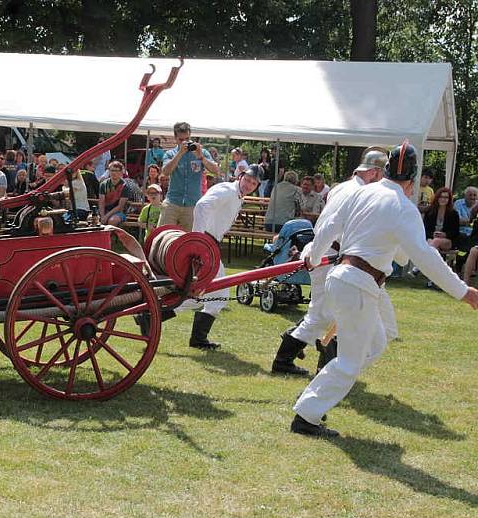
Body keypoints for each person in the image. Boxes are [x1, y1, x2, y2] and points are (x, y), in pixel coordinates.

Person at [290, 142, 478, 437]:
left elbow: (327, 228)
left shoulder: (361, 193)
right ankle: (307, 414)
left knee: (376, 342)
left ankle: (322, 386)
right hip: (359, 283)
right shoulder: (403, 207)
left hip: (344, 278)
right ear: (413, 179)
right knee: (351, 360)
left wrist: (313, 257)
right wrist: (462, 291)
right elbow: (423, 256)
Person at [270, 148, 392, 376]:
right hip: (329, 253)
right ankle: (317, 366)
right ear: (375, 173)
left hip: (324, 251)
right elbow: (332, 227)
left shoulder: (342, 187)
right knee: (330, 316)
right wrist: (316, 256)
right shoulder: (360, 193)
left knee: (323, 315)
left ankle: (289, 358)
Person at [185, 165, 262, 349]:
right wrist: (199, 241)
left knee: (205, 293)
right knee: (217, 294)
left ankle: (154, 316)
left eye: (254, 183)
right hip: (206, 245)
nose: (249, 185)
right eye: (248, 180)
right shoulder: (227, 190)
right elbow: (202, 206)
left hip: (209, 245)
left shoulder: (236, 196)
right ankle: (196, 338)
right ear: (240, 176)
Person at [157, 122, 218, 231]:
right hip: (173, 202)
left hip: (193, 204)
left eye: (188, 138)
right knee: (162, 234)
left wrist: (201, 158)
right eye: (181, 140)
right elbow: (165, 172)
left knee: (189, 241)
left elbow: (215, 171)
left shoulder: (201, 152)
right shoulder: (170, 154)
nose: (185, 142)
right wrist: (179, 154)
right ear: (175, 138)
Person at [422, 187, 460, 253]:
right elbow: (424, 229)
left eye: (446, 197)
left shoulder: (454, 214)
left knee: (435, 242)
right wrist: (432, 234)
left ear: (449, 199)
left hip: (447, 241)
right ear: (437, 198)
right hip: (431, 238)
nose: (443, 199)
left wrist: (445, 234)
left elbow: (455, 231)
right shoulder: (430, 212)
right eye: (441, 197)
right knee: (432, 244)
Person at [98, 160, 134, 226]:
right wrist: (102, 215)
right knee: (91, 218)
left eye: (117, 171)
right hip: (105, 210)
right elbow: (101, 202)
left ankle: (112, 236)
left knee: (112, 221)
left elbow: (120, 206)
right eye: (112, 170)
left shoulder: (125, 186)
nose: (114, 173)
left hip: (119, 212)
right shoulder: (103, 184)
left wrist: (106, 216)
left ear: (121, 172)